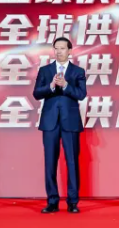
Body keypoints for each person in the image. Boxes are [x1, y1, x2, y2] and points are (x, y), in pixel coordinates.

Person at [33, 37, 87, 213]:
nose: (59, 51)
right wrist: (50, 86)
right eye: (56, 48)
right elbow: (36, 93)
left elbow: (81, 94)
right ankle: (52, 201)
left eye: (62, 48)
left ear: (70, 51)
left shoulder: (78, 71)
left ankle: (73, 201)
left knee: (72, 161)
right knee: (50, 162)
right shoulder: (45, 70)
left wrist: (66, 85)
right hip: (50, 122)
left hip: (70, 121)